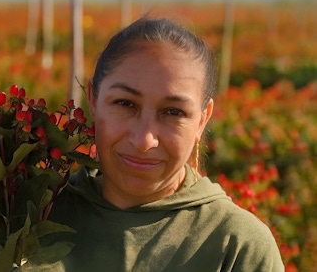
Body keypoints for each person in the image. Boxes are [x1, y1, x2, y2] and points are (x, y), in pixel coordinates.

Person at [47, 16, 284, 272]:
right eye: (125, 104)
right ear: (93, 99)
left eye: (173, 112)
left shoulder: (237, 246)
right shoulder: (29, 212)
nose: (144, 141)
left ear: (203, 120)